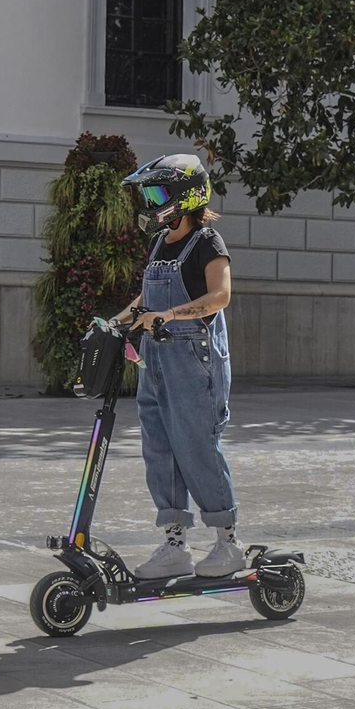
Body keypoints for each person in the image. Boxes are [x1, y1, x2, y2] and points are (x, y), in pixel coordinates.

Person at [112, 154, 241, 578]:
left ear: (185, 196)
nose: (150, 201)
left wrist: (170, 316)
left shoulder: (207, 242)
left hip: (194, 361)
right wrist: (116, 323)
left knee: (196, 447)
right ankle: (174, 545)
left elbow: (220, 296)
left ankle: (227, 543)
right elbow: (146, 301)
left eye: (157, 192)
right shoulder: (160, 241)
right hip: (157, 361)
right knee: (160, 450)